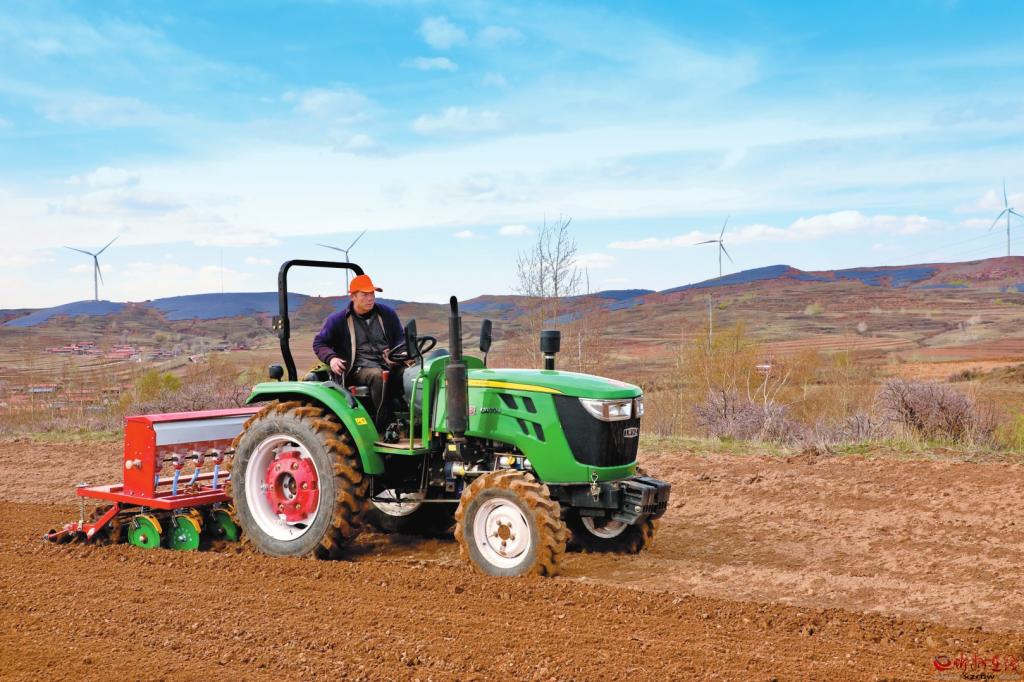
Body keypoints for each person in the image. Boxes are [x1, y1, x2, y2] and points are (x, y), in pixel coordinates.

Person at [313, 273, 406, 427]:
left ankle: (414, 419)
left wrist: (401, 352)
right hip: (358, 369)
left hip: (389, 363)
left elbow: (400, 338)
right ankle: (384, 425)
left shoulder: (387, 314)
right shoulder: (338, 320)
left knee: (415, 373)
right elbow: (319, 343)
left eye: (372, 294)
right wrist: (332, 358)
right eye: (365, 294)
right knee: (378, 375)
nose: (370, 298)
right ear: (353, 297)